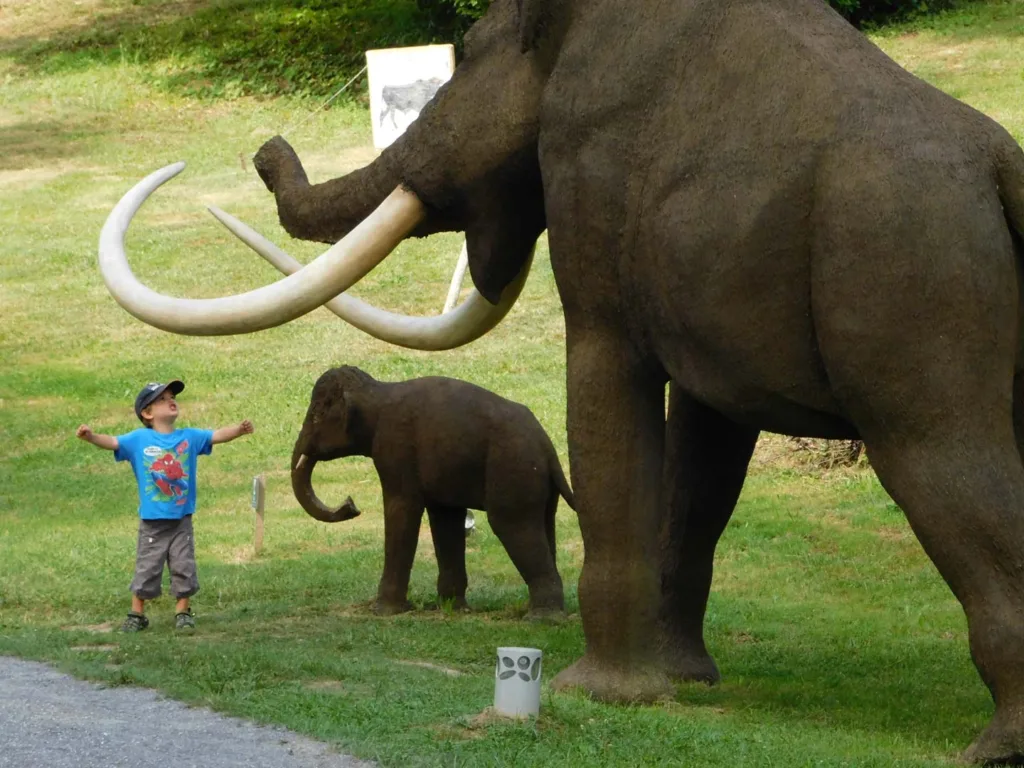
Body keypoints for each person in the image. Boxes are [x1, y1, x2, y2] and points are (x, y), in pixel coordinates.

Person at [76, 380, 254, 632]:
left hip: (181, 519)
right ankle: (137, 614)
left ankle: (183, 611)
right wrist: (91, 437)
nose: (171, 401)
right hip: (152, 522)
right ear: (147, 413)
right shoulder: (139, 439)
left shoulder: (189, 437)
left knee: (184, 565)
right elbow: (113, 442)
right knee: (147, 566)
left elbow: (216, 435)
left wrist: (238, 429)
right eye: (162, 399)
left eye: (172, 397)